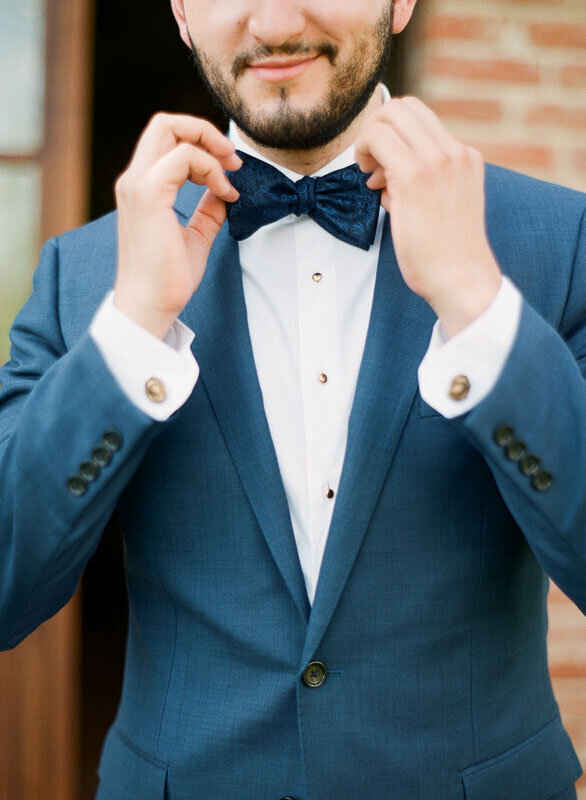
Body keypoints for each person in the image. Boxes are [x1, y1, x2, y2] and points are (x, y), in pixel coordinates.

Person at [0, 0, 584, 797]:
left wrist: (479, 308)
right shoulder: (83, 273)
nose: (272, 21)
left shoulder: (563, 242)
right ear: (178, 11)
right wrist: (132, 332)